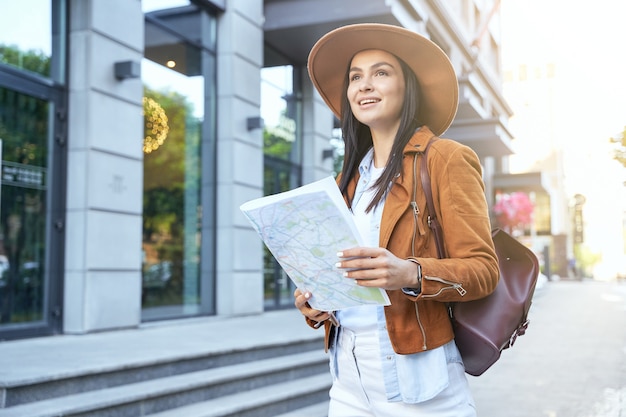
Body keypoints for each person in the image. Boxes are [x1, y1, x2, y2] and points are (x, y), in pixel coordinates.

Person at [294, 23, 500, 416]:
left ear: (408, 87)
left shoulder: (446, 159)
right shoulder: (347, 181)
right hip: (348, 383)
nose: (364, 85)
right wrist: (316, 302)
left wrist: (408, 273)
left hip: (421, 384)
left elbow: (483, 271)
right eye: (356, 77)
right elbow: (338, 273)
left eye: (381, 73)